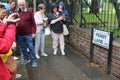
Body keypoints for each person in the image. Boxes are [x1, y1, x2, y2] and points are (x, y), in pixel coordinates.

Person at [0, 4, 20, 80]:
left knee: (12, 69)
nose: (4, 14)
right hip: (4, 58)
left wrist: (6, 24)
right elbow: (4, 46)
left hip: (6, 56)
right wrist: (11, 25)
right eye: (3, 12)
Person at [17, 0, 37, 68]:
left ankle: (34, 60)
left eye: (22, 5)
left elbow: (33, 24)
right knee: (23, 48)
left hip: (28, 34)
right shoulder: (16, 12)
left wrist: (33, 32)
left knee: (31, 47)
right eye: (20, 5)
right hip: (20, 34)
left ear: (25, 4)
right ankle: (26, 59)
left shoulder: (29, 12)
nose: (21, 6)